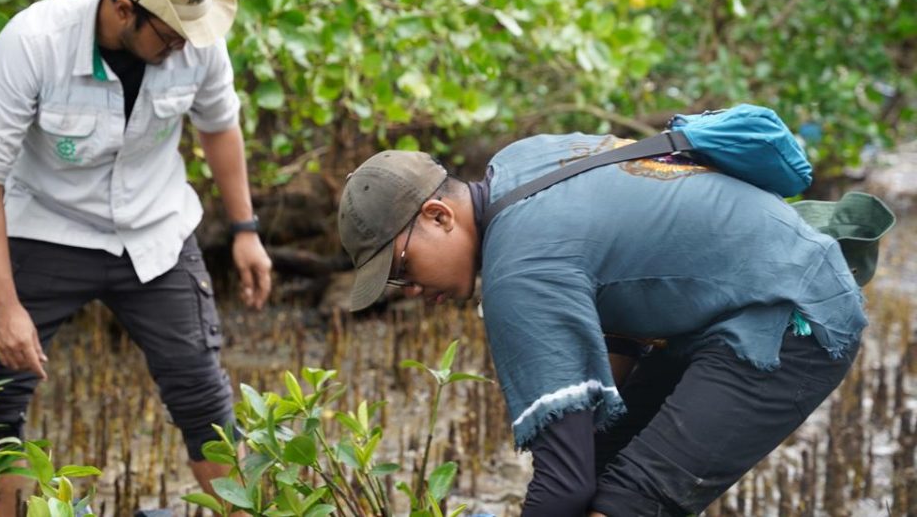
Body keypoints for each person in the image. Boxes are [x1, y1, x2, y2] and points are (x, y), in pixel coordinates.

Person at [337, 134, 866, 515]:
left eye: (401, 267)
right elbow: (586, 434)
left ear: (439, 215)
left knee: (626, 501)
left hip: (792, 313)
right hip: (733, 298)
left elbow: (563, 487)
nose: (409, 290)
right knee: (604, 466)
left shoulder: (518, 271)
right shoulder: (521, 161)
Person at [0, 0, 272, 513]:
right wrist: (4, 305)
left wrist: (245, 230)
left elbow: (219, 125)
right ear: (125, 9)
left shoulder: (195, 38)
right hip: (44, 228)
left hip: (154, 231)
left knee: (203, 397)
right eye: (170, 37)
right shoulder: (34, 40)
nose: (184, 47)